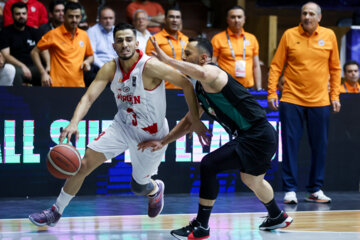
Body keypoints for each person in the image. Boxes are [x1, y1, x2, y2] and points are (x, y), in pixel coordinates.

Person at [28, 22, 209, 228]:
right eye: (120, 40)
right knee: (83, 165)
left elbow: (186, 83)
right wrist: (74, 122)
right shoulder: (110, 68)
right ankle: (55, 212)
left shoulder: (150, 66)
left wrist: (195, 119)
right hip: (122, 127)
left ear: (136, 42)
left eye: (129, 39)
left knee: (138, 186)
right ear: (113, 45)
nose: (125, 44)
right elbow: (88, 98)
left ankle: (154, 190)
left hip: (151, 135)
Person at [138, 36, 293, 239]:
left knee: (209, 165)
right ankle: (276, 215)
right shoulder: (201, 88)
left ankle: (201, 226)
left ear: (203, 58)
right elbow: (188, 121)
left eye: (187, 54)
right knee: (252, 180)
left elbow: (201, 72)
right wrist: (163, 141)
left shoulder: (213, 73)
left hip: (257, 135)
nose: (183, 57)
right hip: (258, 136)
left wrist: (167, 59)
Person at [267, 2, 341, 204]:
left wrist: (335, 95)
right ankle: (290, 189)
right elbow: (275, 66)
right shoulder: (289, 35)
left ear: (319, 17)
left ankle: (315, 189)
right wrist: (272, 92)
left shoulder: (329, 36)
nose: (307, 17)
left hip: (320, 100)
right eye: (304, 13)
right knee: (289, 144)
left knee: (320, 145)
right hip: (291, 98)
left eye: (311, 14)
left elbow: (335, 69)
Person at [31, 2, 94, 87]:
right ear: (64, 17)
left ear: (81, 17)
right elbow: (34, 52)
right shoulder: (53, 34)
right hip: (57, 85)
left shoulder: (84, 35)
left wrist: (87, 62)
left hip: (79, 85)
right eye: (70, 16)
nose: (74, 20)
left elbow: (91, 56)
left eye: (77, 16)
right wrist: (43, 73)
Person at [211, 5, 262, 90]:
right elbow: (212, 65)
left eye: (239, 17)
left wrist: (259, 88)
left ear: (244, 19)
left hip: (248, 88)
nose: (236, 20)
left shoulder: (252, 38)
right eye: (233, 17)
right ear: (227, 19)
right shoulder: (217, 38)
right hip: (226, 87)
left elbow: (256, 66)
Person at [145, 6, 188, 89]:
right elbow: (149, 66)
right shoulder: (154, 40)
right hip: (162, 88)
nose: (175, 20)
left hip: (183, 88)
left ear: (180, 21)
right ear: (165, 19)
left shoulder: (186, 39)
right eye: (171, 17)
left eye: (177, 17)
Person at [0, 2, 41, 86]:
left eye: (23, 13)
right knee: (15, 72)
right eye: (18, 14)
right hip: (15, 66)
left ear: (27, 14)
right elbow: (6, 55)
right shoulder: (5, 32)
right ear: (12, 15)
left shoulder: (34, 31)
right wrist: (22, 66)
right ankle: (17, 99)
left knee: (46, 72)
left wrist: (46, 68)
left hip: (33, 66)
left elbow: (44, 50)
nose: (21, 16)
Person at [86, 6, 117, 86]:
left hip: (116, 67)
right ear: (99, 19)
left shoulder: (117, 31)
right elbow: (91, 54)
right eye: (105, 18)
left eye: (111, 18)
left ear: (114, 19)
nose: (108, 21)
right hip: (98, 68)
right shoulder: (92, 31)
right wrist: (105, 68)